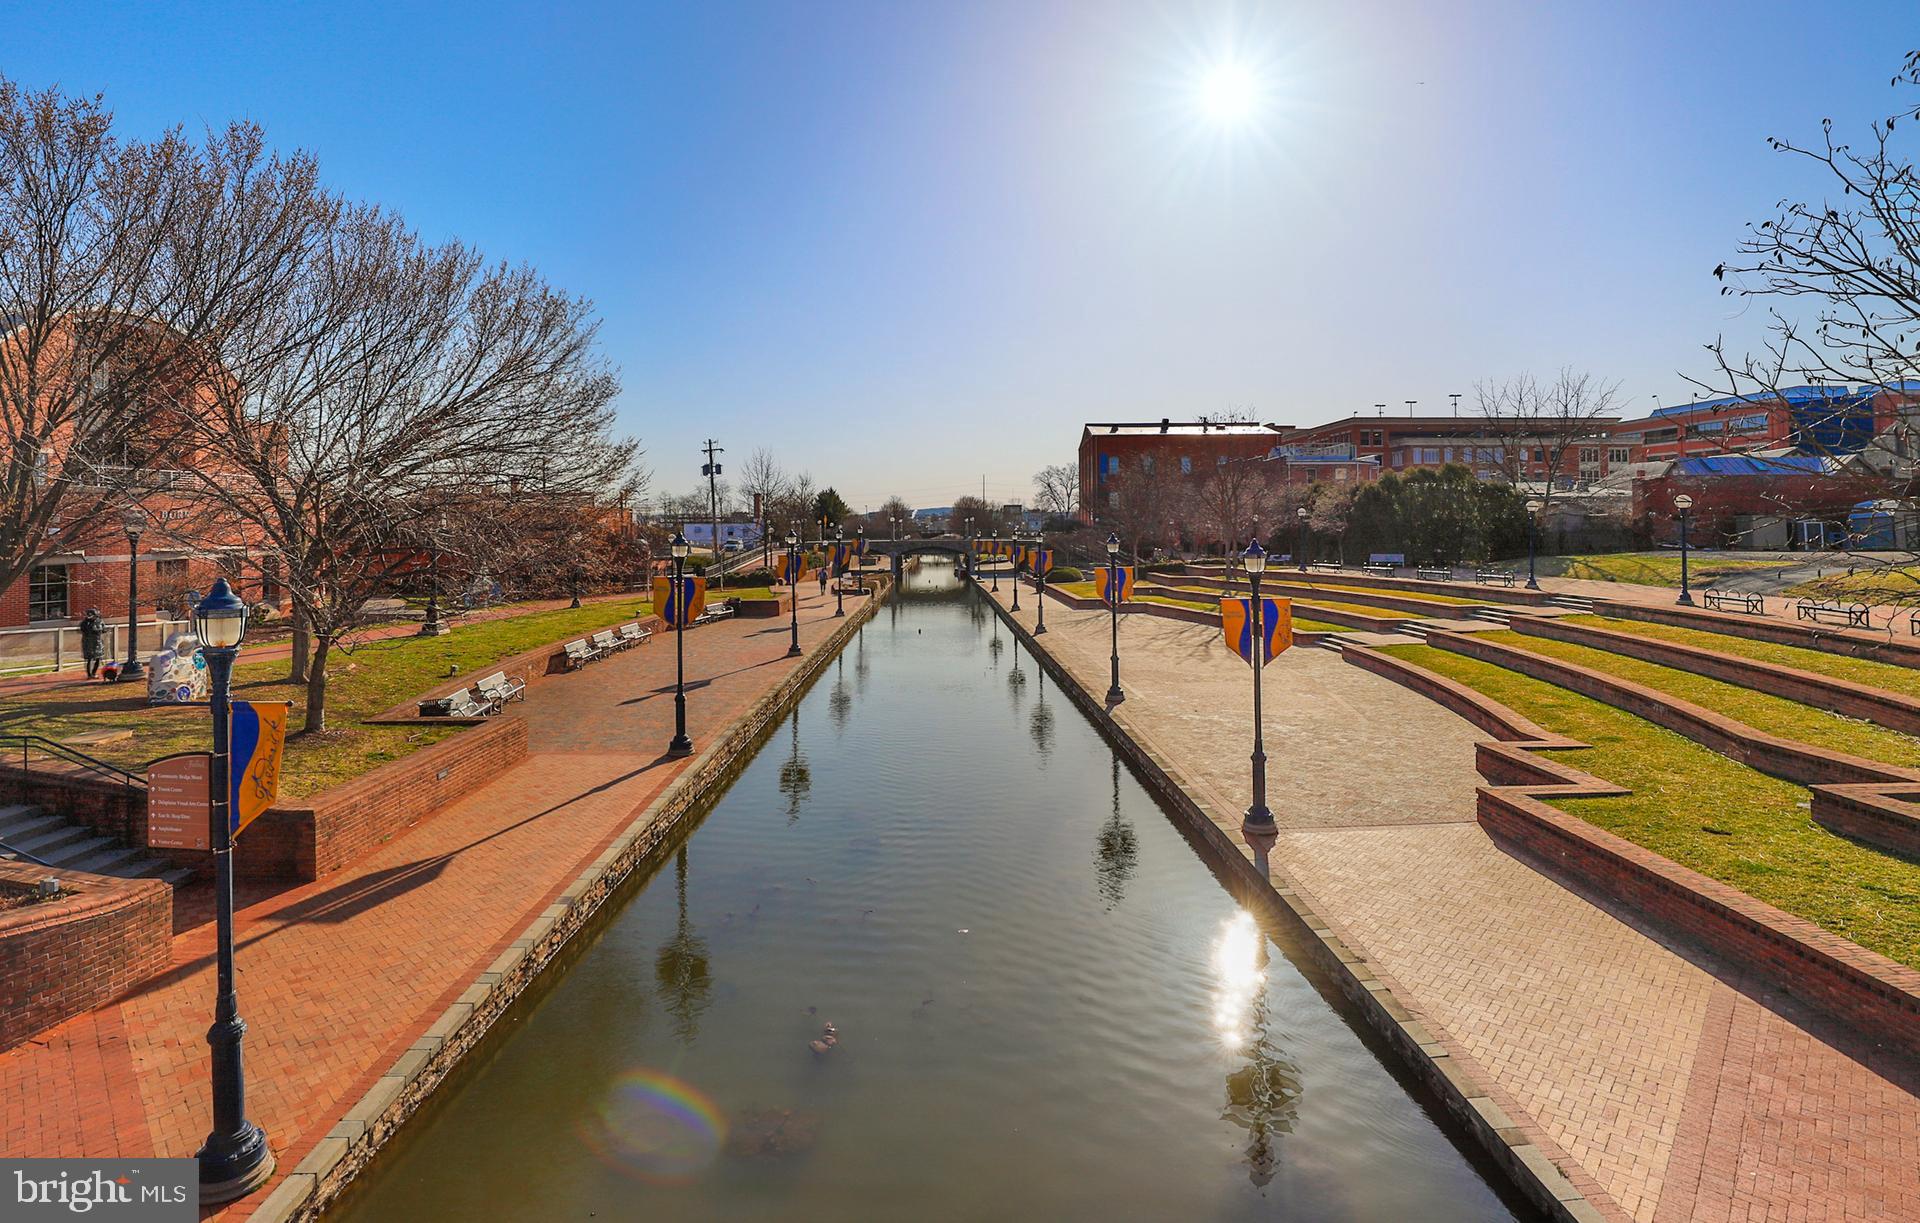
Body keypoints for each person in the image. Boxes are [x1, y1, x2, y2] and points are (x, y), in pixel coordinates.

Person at [78, 609, 107, 679]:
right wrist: (88, 624)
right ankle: (89, 674)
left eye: (92, 615)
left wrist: (98, 630)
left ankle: (94, 673)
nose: (91, 617)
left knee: (98, 658)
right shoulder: (85, 623)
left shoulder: (99, 621)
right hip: (88, 643)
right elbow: (82, 629)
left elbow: (104, 630)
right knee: (89, 658)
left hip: (97, 642)